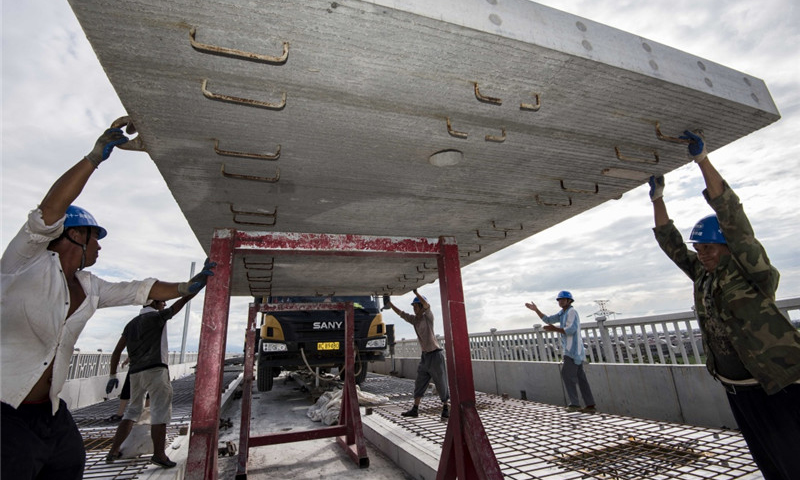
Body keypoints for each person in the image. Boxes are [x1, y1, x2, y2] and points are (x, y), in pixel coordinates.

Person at [0, 116, 216, 480]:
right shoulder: (22, 264)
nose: (99, 246)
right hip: (6, 411)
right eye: (94, 237)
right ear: (74, 235)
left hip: (49, 410)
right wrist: (93, 158)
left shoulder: (89, 287)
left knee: (70, 463)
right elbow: (48, 211)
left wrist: (185, 287)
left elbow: (138, 289)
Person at [648, 130, 800, 480]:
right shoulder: (703, 274)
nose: (702, 254)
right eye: (699, 248)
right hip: (737, 388)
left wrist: (702, 161)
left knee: (795, 459)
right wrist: (658, 199)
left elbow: (733, 218)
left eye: (709, 247)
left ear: (727, 247)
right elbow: (671, 245)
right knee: (769, 462)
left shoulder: (752, 272)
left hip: (776, 384)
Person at [104, 295, 196, 468]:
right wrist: (193, 290)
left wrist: (112, 375)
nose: (165, 304)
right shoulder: (156, 317)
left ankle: (114, 450)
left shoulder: (131, 324)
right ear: (154, 303)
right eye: (162, 301)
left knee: (132, 411)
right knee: (160, 411)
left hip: (135, 373)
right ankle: (159, 455)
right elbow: (179, 304)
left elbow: (117, 352)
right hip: (156, 370)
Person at [525, 291, 596, 413]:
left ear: (569, 301)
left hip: (573, 350)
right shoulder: (562, 313)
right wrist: (536, 310)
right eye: (559, 300)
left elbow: (571, 330)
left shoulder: (572, 312)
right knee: (580, 378)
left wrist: (554, 329)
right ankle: (590, 405)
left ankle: (575, 404)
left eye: (563, 299)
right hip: (572, 350)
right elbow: (548, 319)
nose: (561, 302)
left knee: (567, 374)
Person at [385, 289, 450, 419]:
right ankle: (415, 409)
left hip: (435, 355)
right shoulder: (414, 320)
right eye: (413, 307)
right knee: (419, 383)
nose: (414, 309)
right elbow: (401, 314)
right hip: (425, 357)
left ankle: (446, 408)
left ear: (421, 307)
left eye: (416, 306)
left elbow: (427, 305)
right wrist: (390, 304)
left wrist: (416, 293)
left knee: (441, 383)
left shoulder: (428, 317)